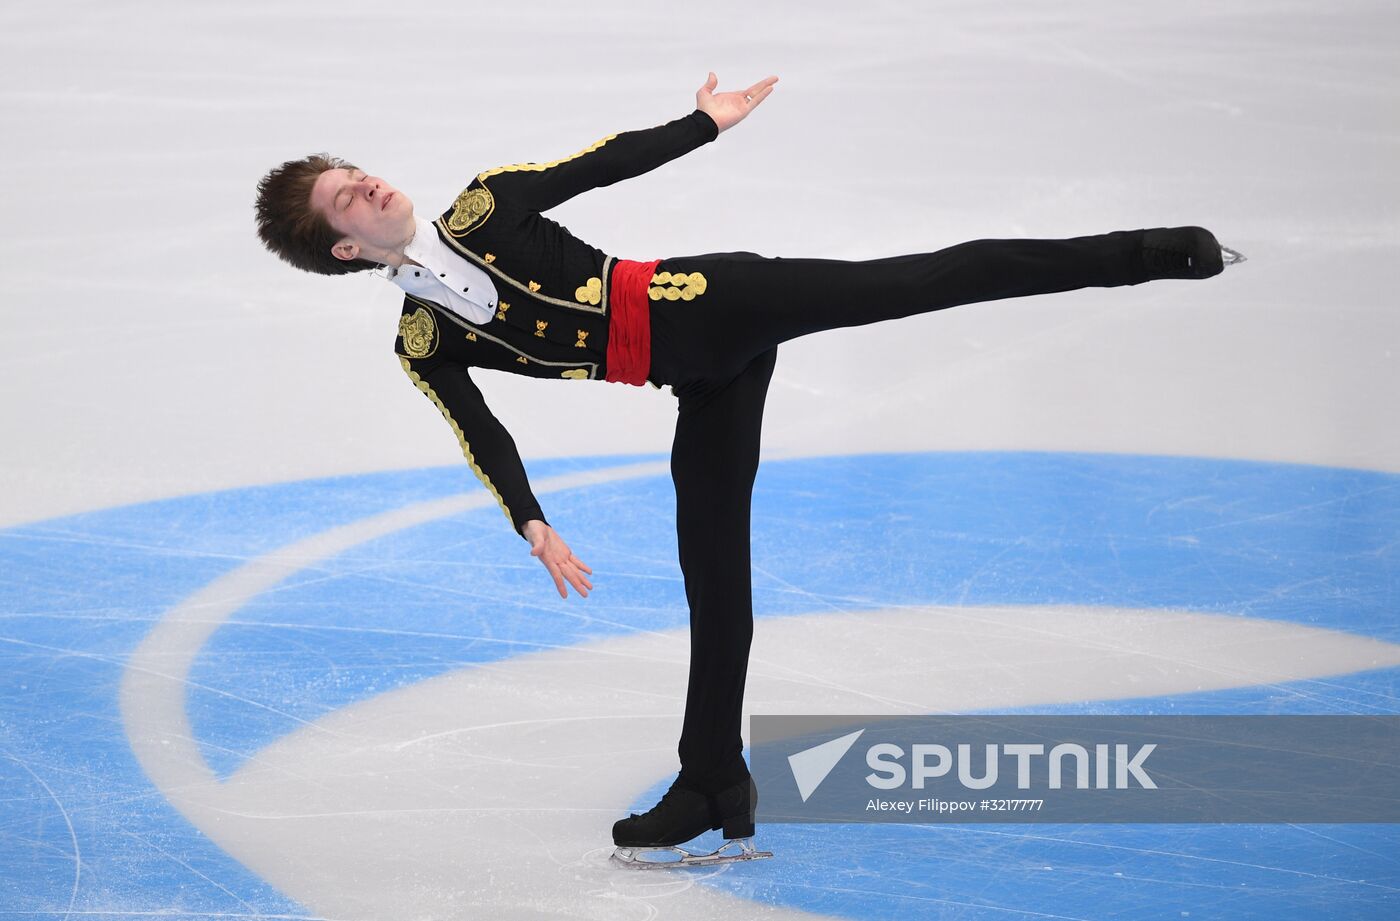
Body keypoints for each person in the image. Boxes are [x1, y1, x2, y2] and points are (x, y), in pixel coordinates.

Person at [254, 71, 1241, 865]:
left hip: (715, 302)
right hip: (692, 383)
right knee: (712, 580)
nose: (371, 183)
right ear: (344, 246)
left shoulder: (485, 201)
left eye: (359, 170)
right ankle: (712, 780)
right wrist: (528, 518)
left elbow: (599, 163)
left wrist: (699, 125)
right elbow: (480, 432)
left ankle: (1150, 251)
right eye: (349, 196)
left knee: (919, 281)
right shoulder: (423, 340)